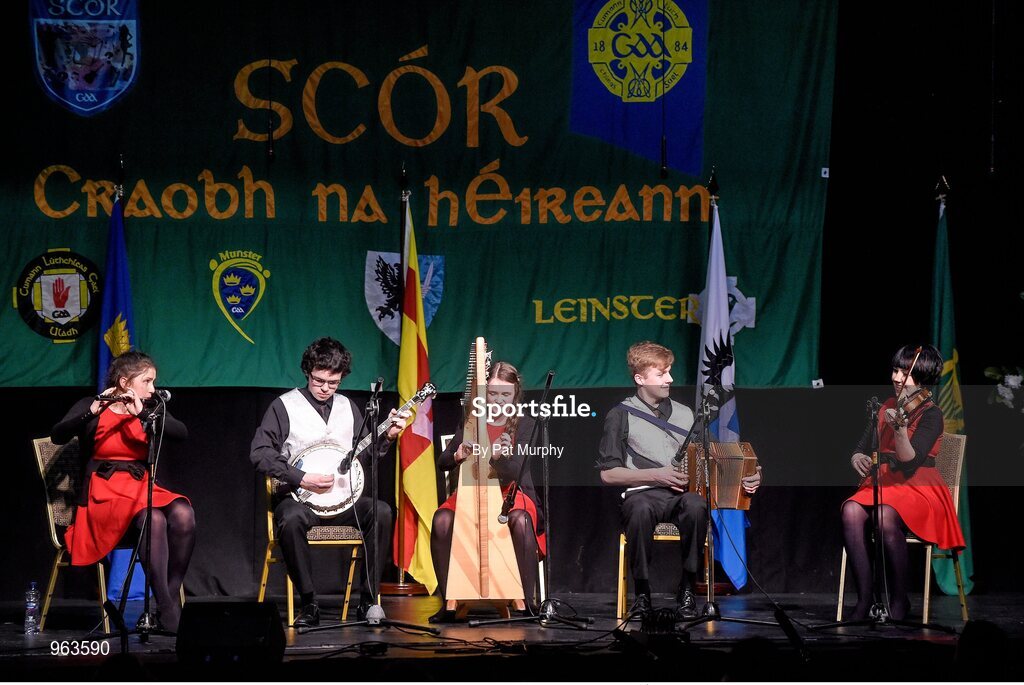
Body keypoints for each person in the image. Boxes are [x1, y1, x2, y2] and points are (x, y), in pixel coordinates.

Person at [250, 337, 409, 628]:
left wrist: (387, 436)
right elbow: (259, 454)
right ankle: (309, 602)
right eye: (319, 380)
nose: (325, 388)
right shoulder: (284, 406)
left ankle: (368, 601)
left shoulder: (348, 407)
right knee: (290, 519)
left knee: (381, 512)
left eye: (332, 383)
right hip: (301, 500)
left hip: (342, 500)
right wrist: (302, 478)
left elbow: (363, 456)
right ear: (307, 372)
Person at [596, 341, 761, 619]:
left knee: (697, 506)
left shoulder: (687, 414)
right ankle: (643, 593)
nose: (669, 379)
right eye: (661, 373)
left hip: (680, 494)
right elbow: (608, 473)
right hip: (642, 494)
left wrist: (752, 474)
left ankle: (687, 588)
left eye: (669, 371)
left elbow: (716, 457)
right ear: (640, 378)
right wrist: (656, 474)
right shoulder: (620, 414)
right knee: (638, 511)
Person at [54, 351, 194, 633]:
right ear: (124, 381)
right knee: (153, 519)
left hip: (140, 486)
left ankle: (169, 592)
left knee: (183, 513)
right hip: (103, 493)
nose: (153, 389)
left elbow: (182, 433)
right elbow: (58, 434)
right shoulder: (93, 405)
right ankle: (168, 608)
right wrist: (90, 411)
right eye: (147, 381)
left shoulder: (151, 407)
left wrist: (141, 412)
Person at [842, 344, 965, 621]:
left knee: (885, 515)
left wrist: (899, 429)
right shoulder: (886, 405)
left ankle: (899, 601)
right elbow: (862, 446)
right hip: (885, 482)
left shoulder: (932, 414)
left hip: (920, 485)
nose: (897, 378)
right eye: (895, 370)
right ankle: (864, 601)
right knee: (850, 510)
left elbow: (910, 461)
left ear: (922, 377)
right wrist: (856, 457)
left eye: (905, 373)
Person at [429, 361, 545, 623]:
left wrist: (498, 458)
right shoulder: (471, 420)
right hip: (473, 493)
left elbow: (515, 472)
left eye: (506, 394)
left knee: (520, 520)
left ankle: (526, 604)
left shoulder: (525, 425)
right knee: (442, 520)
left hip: (511, 493)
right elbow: (442, 462)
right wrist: (457, 455)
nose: (499, 399)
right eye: (493, 393)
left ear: (516, 394)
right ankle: (448, 602)